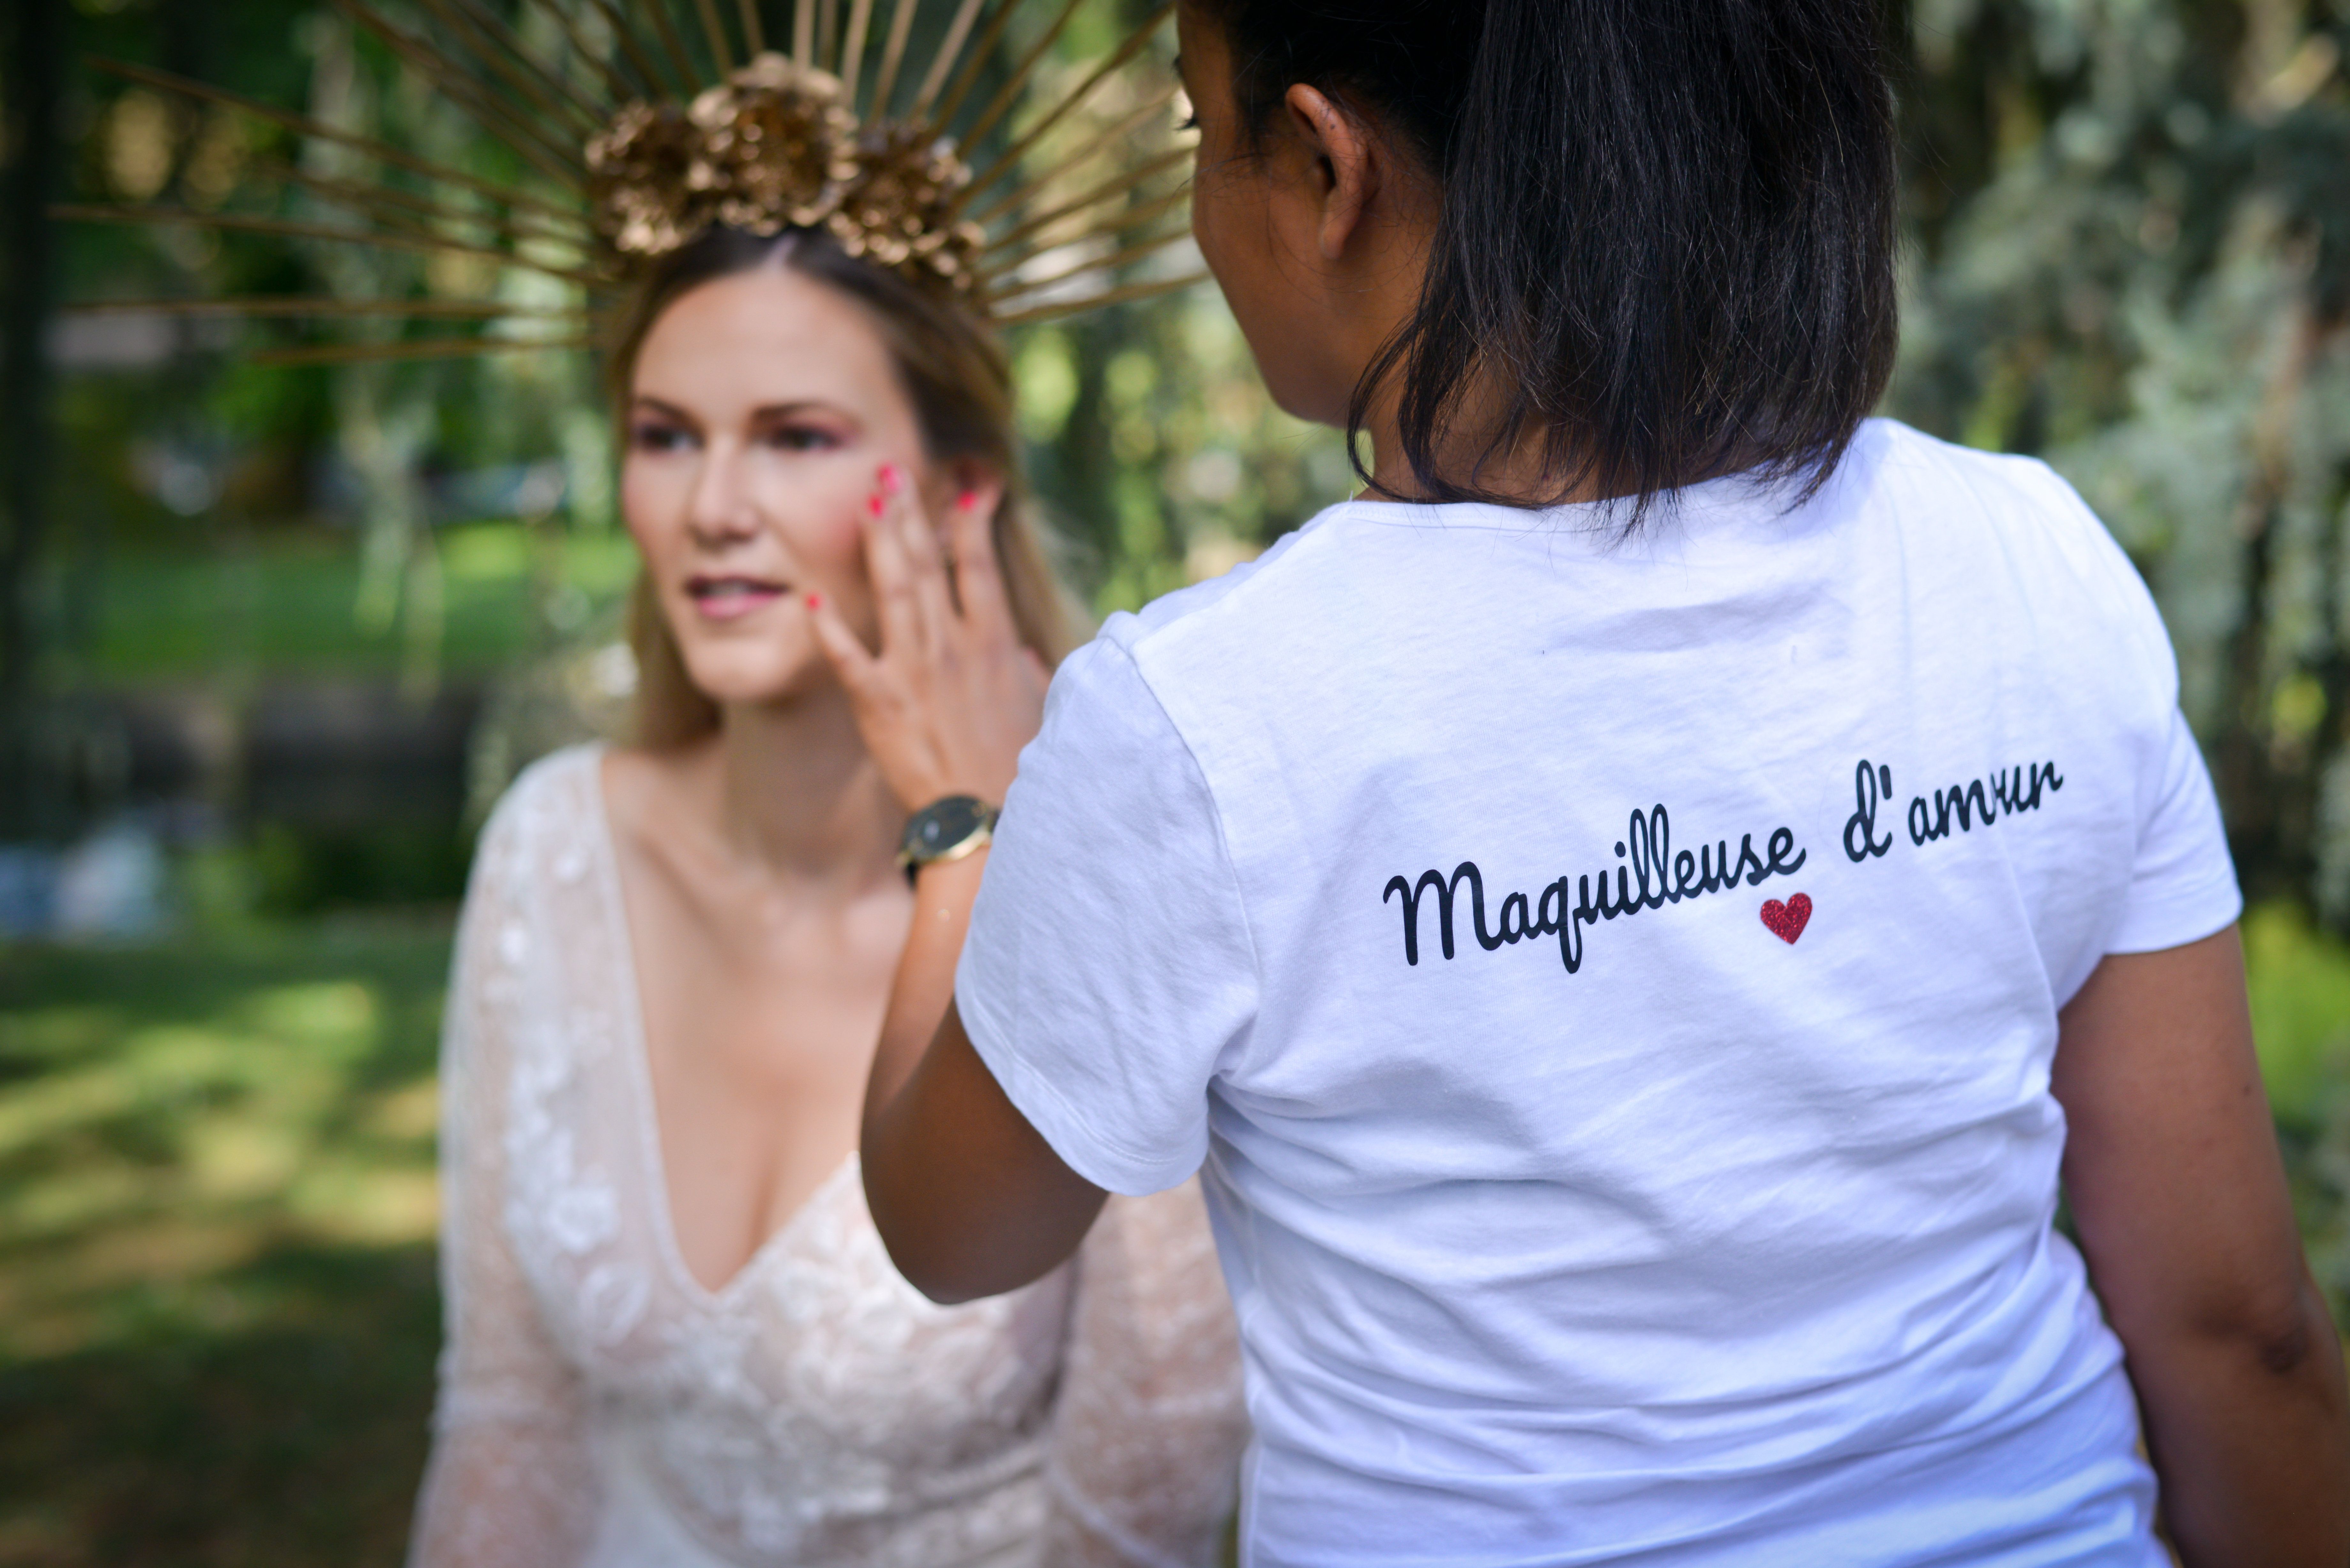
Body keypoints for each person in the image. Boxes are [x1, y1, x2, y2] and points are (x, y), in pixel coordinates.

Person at [850, 2, 2350, 1564]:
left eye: (1194, 129)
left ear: (1324, 166)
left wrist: (960, 830)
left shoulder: (1203, 723)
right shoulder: (2027, 564)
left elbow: (955, 1230)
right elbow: (2240, 1328)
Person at [409, 216, 1247, 1568]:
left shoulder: (1107, 877)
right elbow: (510, 1420)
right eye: (665, 435)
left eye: (795, 437)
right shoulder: (551, 850)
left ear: (958, 492)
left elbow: (1143, 1490)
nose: (712, 507)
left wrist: (982, 841)